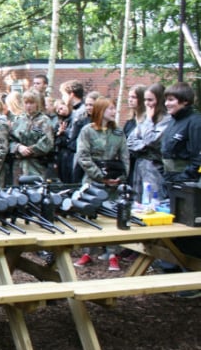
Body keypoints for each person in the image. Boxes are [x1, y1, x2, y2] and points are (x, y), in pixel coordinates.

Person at [73, 97, 130, 271]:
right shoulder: (87, 131)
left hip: (113, 182)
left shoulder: (118, 132)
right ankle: (87, 252)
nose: (114, 112)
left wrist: (121, 177)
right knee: (88, 215)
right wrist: (100, 176)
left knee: (113, 216)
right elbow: (83, 156)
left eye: (114, 108)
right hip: (93, 182)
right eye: (110, 108)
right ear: (100, 110)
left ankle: (113, 254)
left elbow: (125, 156)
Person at [127, 83, 170, 202]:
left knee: (153, 201)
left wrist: (149, 122)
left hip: (155, 168)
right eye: (145, 100)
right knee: (139, 203)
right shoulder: (146, 118)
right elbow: (130, 141)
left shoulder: (167, 120)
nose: (147, 103)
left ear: (160, 100)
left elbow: (151, 140)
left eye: (150, 100)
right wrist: (144, 146)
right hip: (140, 166)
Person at [161, 81, 201, 192]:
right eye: (166, 100)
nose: (166, 104)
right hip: (168, 182)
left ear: (185, 101)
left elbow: (198, 159)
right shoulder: (172, 121)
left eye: (171, 100)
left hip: (186, 185)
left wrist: (182, 178)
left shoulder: (196, 122)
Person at [9, 91, 54, 185]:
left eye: (31, 103)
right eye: (26, 103)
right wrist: (18, 147)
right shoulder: (18, 120)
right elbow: (10, 139)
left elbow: (47, 141)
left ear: (37, 104)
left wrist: (30, 150)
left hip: (36, 165)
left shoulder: (43, 121)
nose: (28, 106)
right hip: (19, 166)